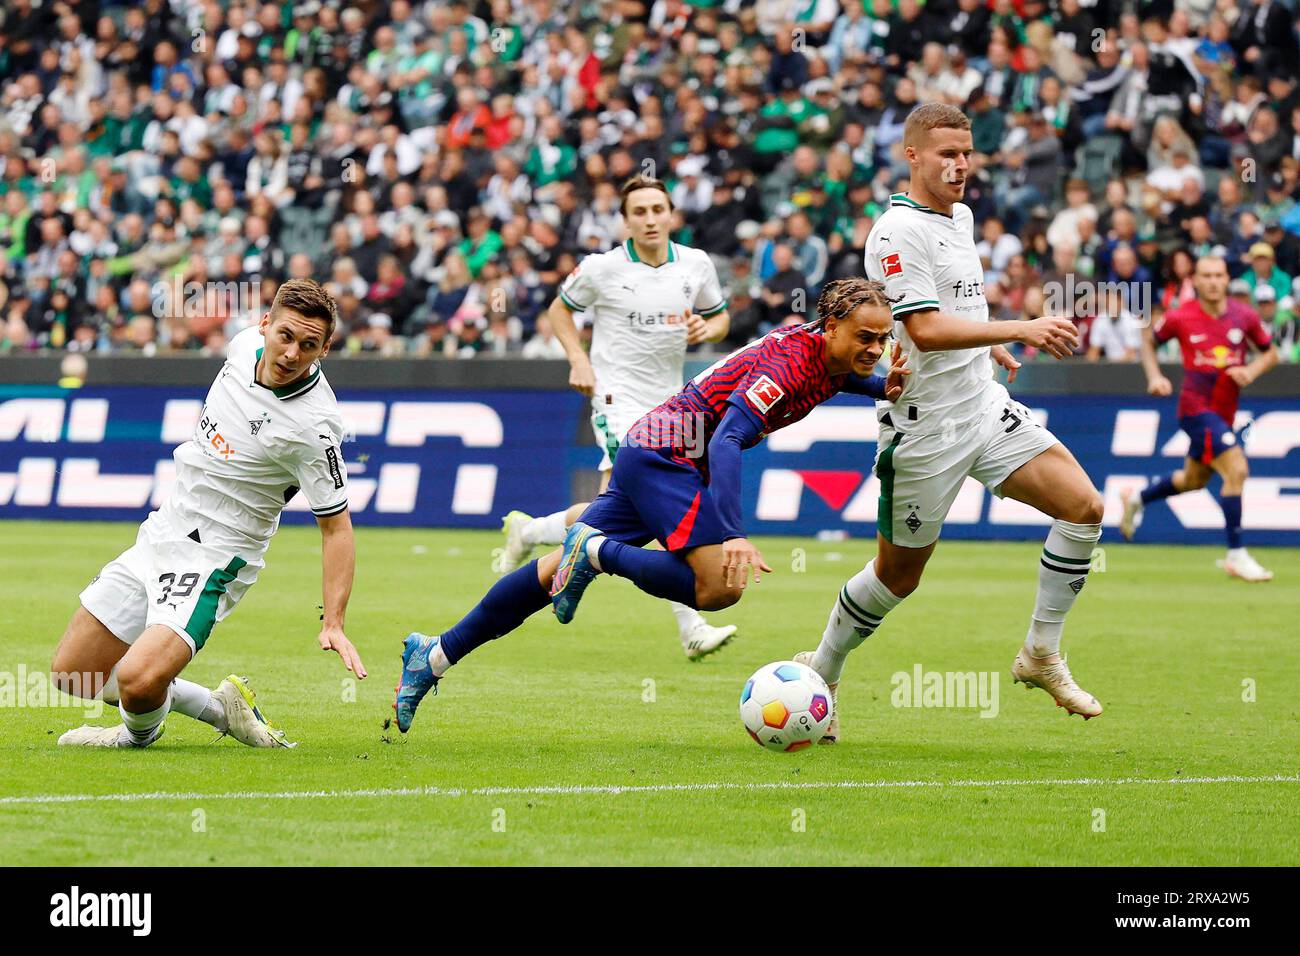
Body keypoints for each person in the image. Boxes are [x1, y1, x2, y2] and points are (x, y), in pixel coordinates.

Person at [392, 278, 909, 734]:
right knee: (719, 587)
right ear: (830, 325)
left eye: (883, 338)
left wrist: (881, 386)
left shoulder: (824, 354)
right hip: (673, 451)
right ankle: (597, 552)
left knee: (550, 576)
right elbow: (728, 439)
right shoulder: (790, 363)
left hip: (660, 445)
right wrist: (732, 531)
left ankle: (433, 655)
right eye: (866, 337)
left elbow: (840, 377)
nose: (876, 347)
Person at [794, 103, 1107, 745]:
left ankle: (1040, 654)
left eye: (966, 153)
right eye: (946, 154)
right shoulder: (895, 233)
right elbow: (927, 329)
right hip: (924, 426)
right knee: (898, 576)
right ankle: (822, 669)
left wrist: (989, 346)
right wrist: (1019, 326)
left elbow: (955, 304)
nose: (960, 165)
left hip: (983, 405)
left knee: (1083, 506)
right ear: (912, 155)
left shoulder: (959, 217)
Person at [51, 280, 366, 747]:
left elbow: (337, 529)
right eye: (285, 336)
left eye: (309, 345)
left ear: (324, 349)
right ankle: (221, 708)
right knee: (72, 676)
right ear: (264, 325)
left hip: (215, 557)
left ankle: (134, 736)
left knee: (138, 682)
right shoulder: (240, 348)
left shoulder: (315, 428)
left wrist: (333, 621)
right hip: (164, 528)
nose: (291, 354)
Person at [496, 177, 740, 660]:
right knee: (657, 505)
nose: (650, 219)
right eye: (640, 212)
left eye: (658, 209)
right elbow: (560, 311)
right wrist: (578, 359)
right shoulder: (601, 269)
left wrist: (706, 326)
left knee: (617, 511)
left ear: (672, 214)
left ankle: (530, 532)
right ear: (625, 220)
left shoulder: (695, 264)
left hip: (676, 404)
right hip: (618, 398)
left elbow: (721, 317)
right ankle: (691, 626)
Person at [1122, 255, 1279, 581]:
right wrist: (1154, 376)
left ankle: (1137, 498)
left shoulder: (1244, 315)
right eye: (1206, 275)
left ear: (1226, 279)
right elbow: (1149, 340)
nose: (1213, 281)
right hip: (1196, 409)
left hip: (1224, 412)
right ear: (1195, 280)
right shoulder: (1181, 316)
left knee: (1193, 481)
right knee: (1237, 469)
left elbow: (1271, 353)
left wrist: (1251, 370)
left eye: (1218, 275)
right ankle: (1236, 555)